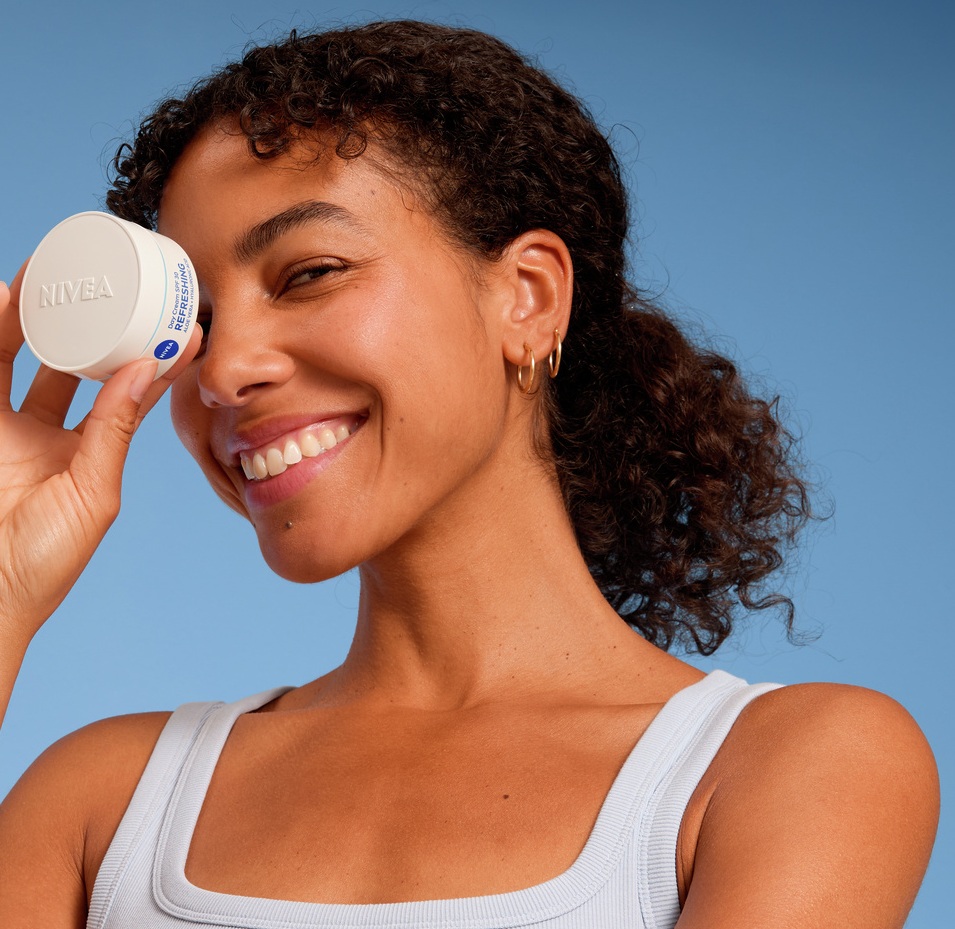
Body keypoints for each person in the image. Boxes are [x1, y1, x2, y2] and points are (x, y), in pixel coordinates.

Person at [0, 20, 939, 929]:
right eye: (194, 320)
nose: (222, 368)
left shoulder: (782, 766)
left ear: (525, 298)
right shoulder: (99, 801)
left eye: (310, 272)